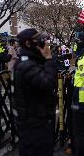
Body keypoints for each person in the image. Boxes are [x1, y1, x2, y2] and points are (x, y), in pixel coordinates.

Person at [13, 28, 57, 156]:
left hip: (36, 121)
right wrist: (48, 59)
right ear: (28, 44)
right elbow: (48, 83)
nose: (43, 42)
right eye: (38, 40)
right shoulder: (26, 65)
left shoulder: (31, 61)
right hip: (34, 124)